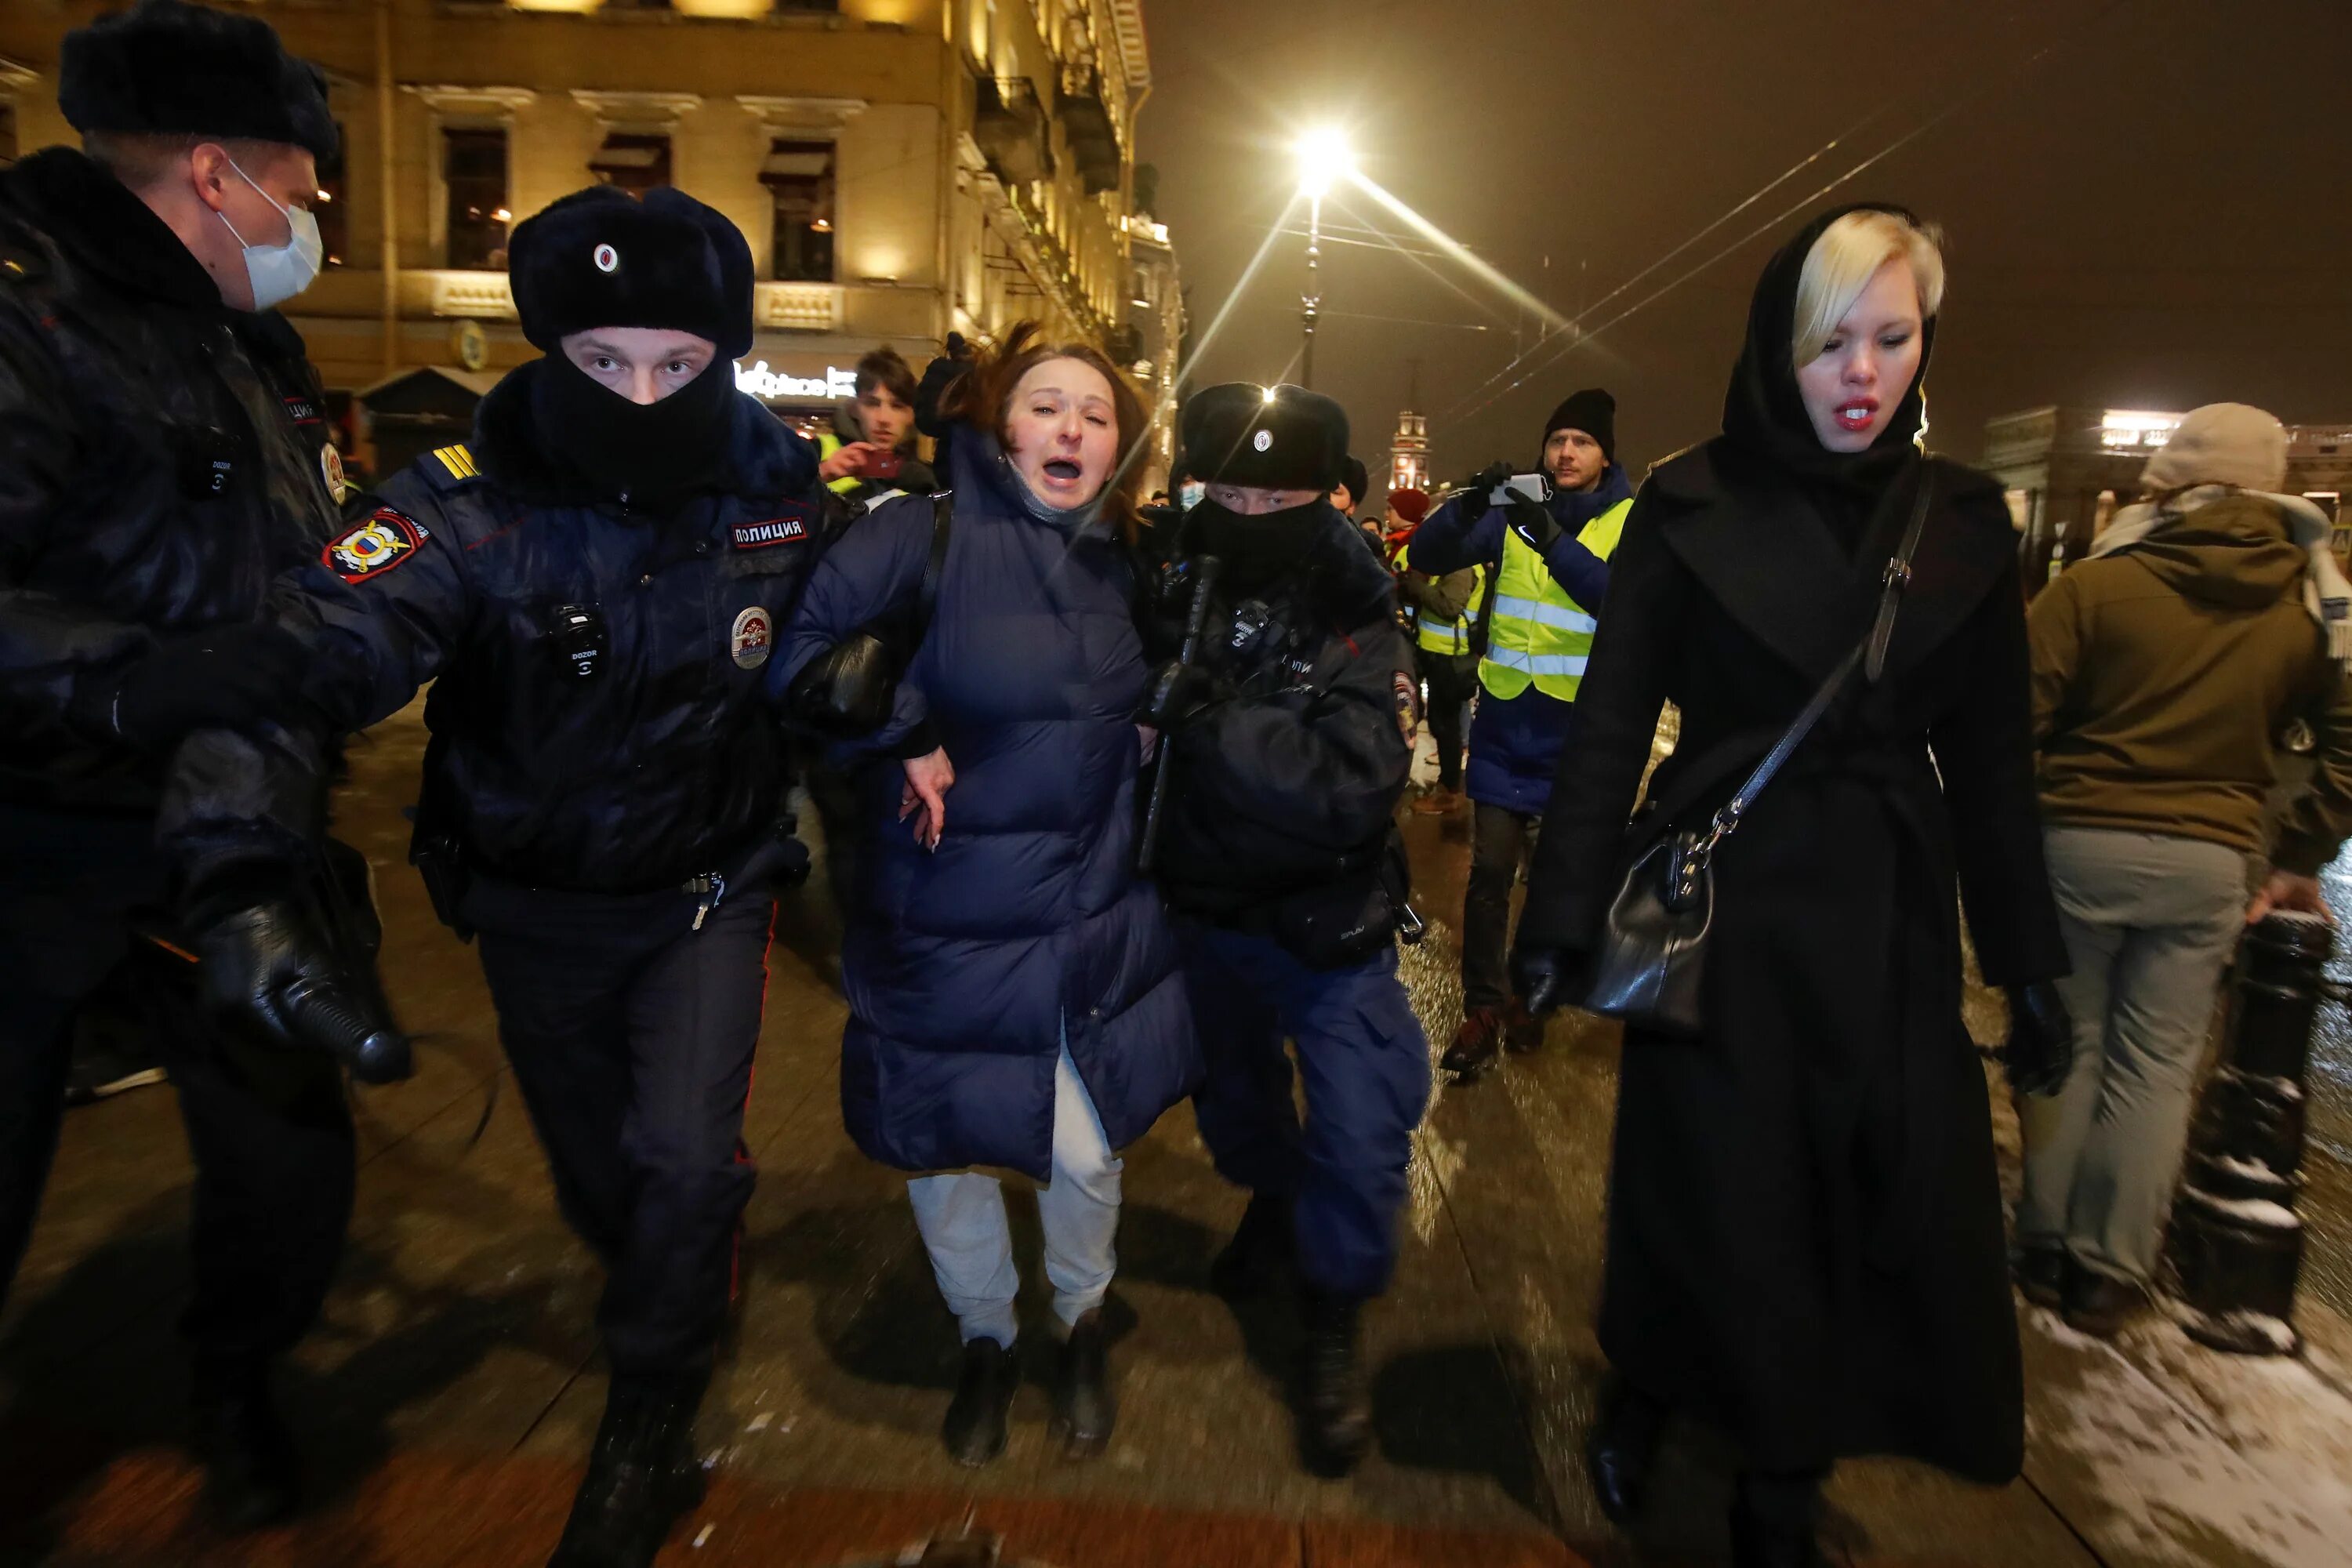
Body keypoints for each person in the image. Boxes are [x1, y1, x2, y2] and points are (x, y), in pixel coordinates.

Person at [249, 184, 825, 1568]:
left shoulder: (779, 491)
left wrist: (899, 727)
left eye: (680, 366)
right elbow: (326, 645)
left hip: (707, 884)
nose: (644, 394)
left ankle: (649, 1407)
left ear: (726, 356)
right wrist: (239, 807)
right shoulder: (462, 507)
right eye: (603, 363)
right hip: (531, 899)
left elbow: (843, 640)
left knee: (685, 1163)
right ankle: (659, 1288)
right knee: (600, 1174)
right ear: (547, 350)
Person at [1508, 205, 2074, 1566]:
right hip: (1721, 913)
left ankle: (1782, 1476)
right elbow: (1608, 724)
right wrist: (1560, 922)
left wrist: (2029, 957)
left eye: (1894, 338)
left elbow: (1994, 762)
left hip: (1883, 920)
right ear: (1780, 344)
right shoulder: (1692, 504)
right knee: (1709, 1194)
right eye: (1832, 342)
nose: (1862, 373)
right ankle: (1652, 1386)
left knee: (1859, 1202)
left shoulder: (1962, 521)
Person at [0, 0, 381, 1530]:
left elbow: (284, 554)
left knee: (289, 1158)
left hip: (232, 828)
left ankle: (239, 1378)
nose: (313, 223)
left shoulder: (248, 345)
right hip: (33, 827)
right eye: (302, 189)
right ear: (217, 173)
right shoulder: (28, 312)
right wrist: (140, 675)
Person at [773, 323, 1195, 1469]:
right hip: (945, 913)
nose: (1071, 427)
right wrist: (903, 730)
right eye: (1048, 404)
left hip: (1091, 913)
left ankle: (1083, 1317)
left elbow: (1170, 701)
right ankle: (986, 1337)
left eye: (1096, 414)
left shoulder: (1134, 561)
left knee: (1089, 1147)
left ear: (1121, 447)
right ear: (1003, 422)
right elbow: (798, 654)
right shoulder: (921, 532)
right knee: (947, 1148)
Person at [1143, 382, 1429, 1478]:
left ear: (1325, 496)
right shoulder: (1165, 580)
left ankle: (1333, 1318)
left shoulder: (1363, 613)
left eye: (1284, 493)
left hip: (1329, 923)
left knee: (1360, 1137)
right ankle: (1270, 1196)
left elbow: (1352, 782)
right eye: (1236, 489)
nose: (1256, 512)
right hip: (1205, 910)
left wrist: (1213, 725)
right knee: (1240, 1109)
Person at [2021, 401, 2352, 1335]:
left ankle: (2041, 1246)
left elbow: (2010, 721)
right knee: (2158, 1067)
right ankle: (2109, 1269)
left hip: (2077, 845)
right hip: (2212, 858)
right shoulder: (2312, 598)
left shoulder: (2096, 585)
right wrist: (2296, 852)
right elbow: (2346, 742)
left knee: (2065, 1045)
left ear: (2167, 482)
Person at [1410, 390, 1630, 1075]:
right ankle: (1483, 1005)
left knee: (1555, 880)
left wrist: (1550, 537)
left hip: (1574, 732)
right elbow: (1426, 550)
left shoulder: (1629, 519)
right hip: (1506, 724)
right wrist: (1469, 507)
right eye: (1557, 439)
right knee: (1489, 875)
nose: (1566, 452)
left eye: (1582, 442)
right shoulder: (1509, 513)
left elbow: (1615, 600)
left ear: (1604, 456)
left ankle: (1533, 997)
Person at [1392, 488, 1483, 813]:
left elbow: (1449, 605)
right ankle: (1447, 786)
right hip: (1436, 650)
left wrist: (1416, 587)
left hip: (1449, 656)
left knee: (1445, 726)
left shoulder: (1461, 560)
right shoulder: (1452, 554)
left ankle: (1450, 790)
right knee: (1438, 722)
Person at [816, 343, 938, 515]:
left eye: (897, 406)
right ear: (854, 408)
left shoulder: (924, 478)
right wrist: (821, 474)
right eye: (872, 404)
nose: (884, 419)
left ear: (911, 415)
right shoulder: (815, 453)